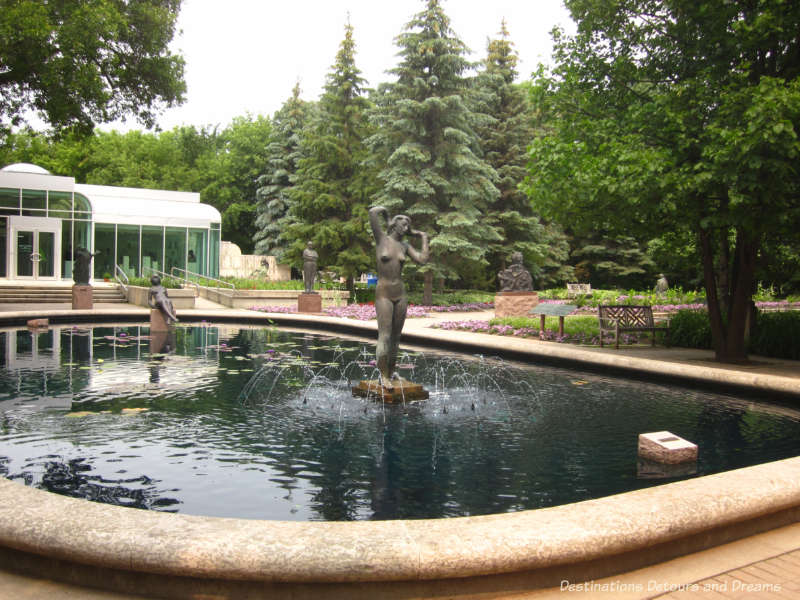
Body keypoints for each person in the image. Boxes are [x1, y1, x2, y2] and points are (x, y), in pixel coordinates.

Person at [369, 206, 429, 382]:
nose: (406, 229)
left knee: (396, 337)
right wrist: (388, 214)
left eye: (407, 226)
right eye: (403, 225)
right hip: (383, 293)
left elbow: (422, 259)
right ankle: (382, 375)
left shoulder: (405, 246)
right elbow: (373, 212)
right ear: (394, 225)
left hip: (400, 293)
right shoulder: (382, 239)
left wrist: (424, 237)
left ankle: (391, 372)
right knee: (385, 335)